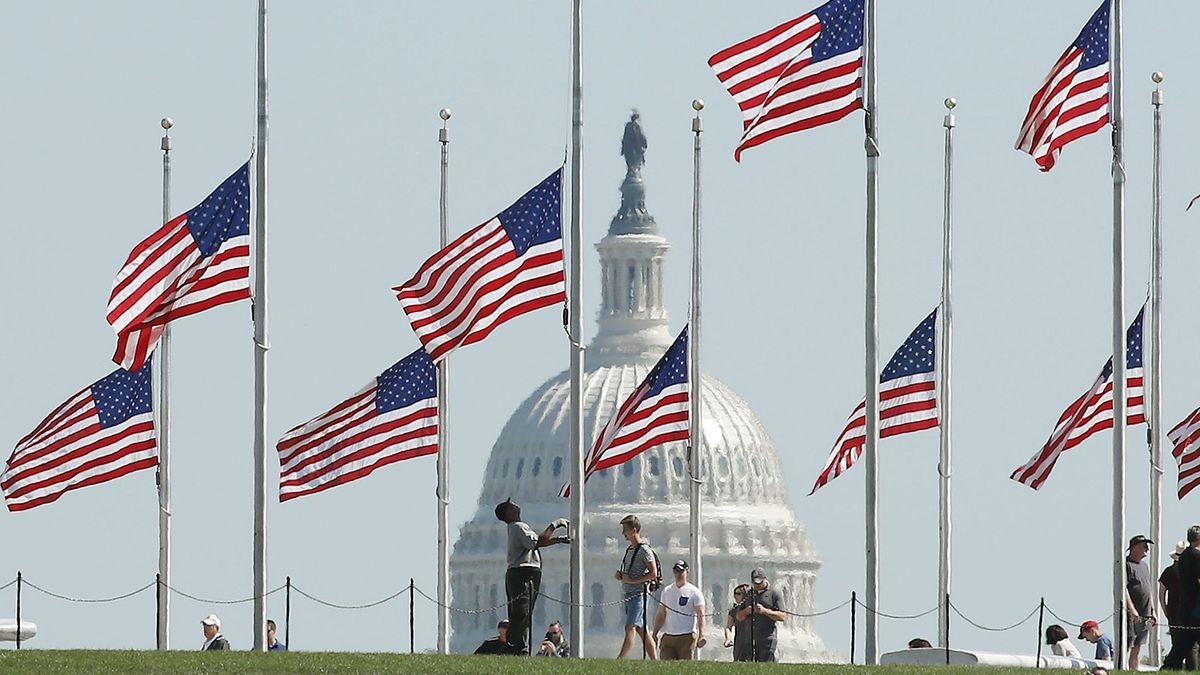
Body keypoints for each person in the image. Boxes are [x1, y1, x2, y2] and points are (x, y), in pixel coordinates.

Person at [495, 498, 570, 655]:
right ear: (509, 513)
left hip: (518, 573)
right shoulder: (518, 527)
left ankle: (517, 646)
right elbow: (536, 542)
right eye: (512, 505)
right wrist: (555, 525)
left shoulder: (515, 528)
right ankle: (515, 647)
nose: (517, 505)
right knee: (522, 613)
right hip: (524, 573)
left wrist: (559, 540)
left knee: (520, 613)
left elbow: (537, 543)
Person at [615, 514, 659, 659]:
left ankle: (620, 660)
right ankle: (655, 660)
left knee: (630, 627)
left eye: (625, 530)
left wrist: (633, 580)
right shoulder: (630, 550)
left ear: (634, 530)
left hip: (638, 594)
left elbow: (653, 573)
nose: (623, 534)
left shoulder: (644, 550)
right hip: (628, 594)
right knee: (642, 630)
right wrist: (622, 576)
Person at [653, 560, 707, 660]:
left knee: (684, 666)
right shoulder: (667, 591)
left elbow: (701, 615)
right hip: (669, 636)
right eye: (676, 572)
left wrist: (702, 635)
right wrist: (655, 633)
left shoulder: (694, 592)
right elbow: (661, 613)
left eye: (681, 572)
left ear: (687, 572)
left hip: (686, 636)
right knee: (666, 665)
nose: (678, 574)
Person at [1164, 525, 1200, 670]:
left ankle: (1168, 667)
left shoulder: (1184, 556)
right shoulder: (1196, 556)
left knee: (1184, 642)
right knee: (1185, 641)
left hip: (1186, 606)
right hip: (1195, 608)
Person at [734, 567, 786, 662]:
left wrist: (765, 611)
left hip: (767, 639)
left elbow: (782, 616)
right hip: (750, 640)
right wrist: (747, 611)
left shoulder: (774, 593)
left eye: (759, 582)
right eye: (755, 582)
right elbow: (738, 616)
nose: (757, 585)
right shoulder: (748, 594)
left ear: (765, 579)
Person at [1125, 534, 1156, 670]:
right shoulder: (1126, 565)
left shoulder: (1145, 566)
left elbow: (1148, 589)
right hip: (1132, 614)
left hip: (1145, 612)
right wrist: (1131, 609)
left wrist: (1153, 610)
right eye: (1144, 546)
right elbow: (1123, 589)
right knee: (1128, 643)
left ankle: (1134, 671)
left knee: (1138, 646)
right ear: (1135, 547)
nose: (1147, 549)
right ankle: (1121, 669)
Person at [724, 584, 751, 661]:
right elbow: (728, 627)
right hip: (740, 643)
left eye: (738, 594)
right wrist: (728, 639)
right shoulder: (734, 610)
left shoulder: (754, 608)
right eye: (734, 593)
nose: (735, 596)